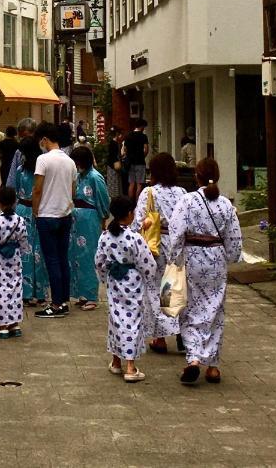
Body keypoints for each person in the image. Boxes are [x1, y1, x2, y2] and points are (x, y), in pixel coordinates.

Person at [168, 157, 242, 385]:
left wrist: (174, 258)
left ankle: (193, 359)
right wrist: (232, 256)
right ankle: (213, 366)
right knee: (215, 310)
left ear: (196, 176)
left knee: (190, 309)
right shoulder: (226, 205)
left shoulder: (187, 201)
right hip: (217, 260)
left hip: (193, 259)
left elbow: (176, 231)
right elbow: (234, 237)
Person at [95, 195, 156, 382]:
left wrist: (104, 278)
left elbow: (99, 261)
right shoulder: (134, 237)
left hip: (115, 281)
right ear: (129, 214)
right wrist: (149, 278)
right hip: (132, 282)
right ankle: (130, 366)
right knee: (132, 320)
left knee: (116, 318)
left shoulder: (105, 235)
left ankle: (116, 361)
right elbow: (148, 264)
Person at [132, 152, 186, 353]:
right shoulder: (182, 192)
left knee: (154, 289)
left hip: (156, 244)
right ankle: (182, 332)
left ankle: (160, 337)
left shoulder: (149, 192)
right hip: (177, 244)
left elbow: (138, 222)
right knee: (174, 287)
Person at [32, 122, 77, 319]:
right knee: (62, 258)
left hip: (46, 215)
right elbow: (73, 189)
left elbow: (38, 189)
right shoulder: (70, 161)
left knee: (51, 260)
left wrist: (35, 210)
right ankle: (64, 300)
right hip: (65, 214)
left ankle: (56, 304)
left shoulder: (43, 160)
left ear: (44, 140)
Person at [68, 145, 110, 311]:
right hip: (76, 217)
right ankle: (81, 293)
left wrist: (103, 217)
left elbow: (103, 199)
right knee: (75, 256)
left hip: (90, 217)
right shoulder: (79, 176)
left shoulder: (95, 177)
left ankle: (92, 296)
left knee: (89, 255)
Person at [0, 187, 30, 338]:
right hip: (15, 258)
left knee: (1, 289)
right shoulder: (20, 220)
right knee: (16, 289)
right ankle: (15, 324)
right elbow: (24, 242)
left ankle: (3, 325)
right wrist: (21, 252)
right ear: (15, 202)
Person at [14, 136, 50, 305]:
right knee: (40, 251)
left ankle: (26, 293)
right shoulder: (42, 170)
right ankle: (41, 293)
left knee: (24, 252)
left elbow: (15, 190)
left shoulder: (21, 170)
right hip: (40, 211)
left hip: (22, 210)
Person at [122, 119, 149, 201]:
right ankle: (138, 202)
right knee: (139, 184)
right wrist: (142, 156)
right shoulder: (143, 136)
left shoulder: (128, 136)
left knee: (131, 183)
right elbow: (146, 149)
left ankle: (131, 203)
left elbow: (125, 149)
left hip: (130, 163)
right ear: (141, 126)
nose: (144, 128)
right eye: (144, 127)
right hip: (140, 162)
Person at [105, 127, 123, 198]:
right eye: (120, 134)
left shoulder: (112, 143)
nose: (121, 136)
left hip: (111, 164)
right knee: (114, 182)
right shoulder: (115, 143)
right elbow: (114, 155)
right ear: (117, 134)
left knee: (112, 182)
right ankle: (115, 197)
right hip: (114, 165)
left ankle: (113, 196)